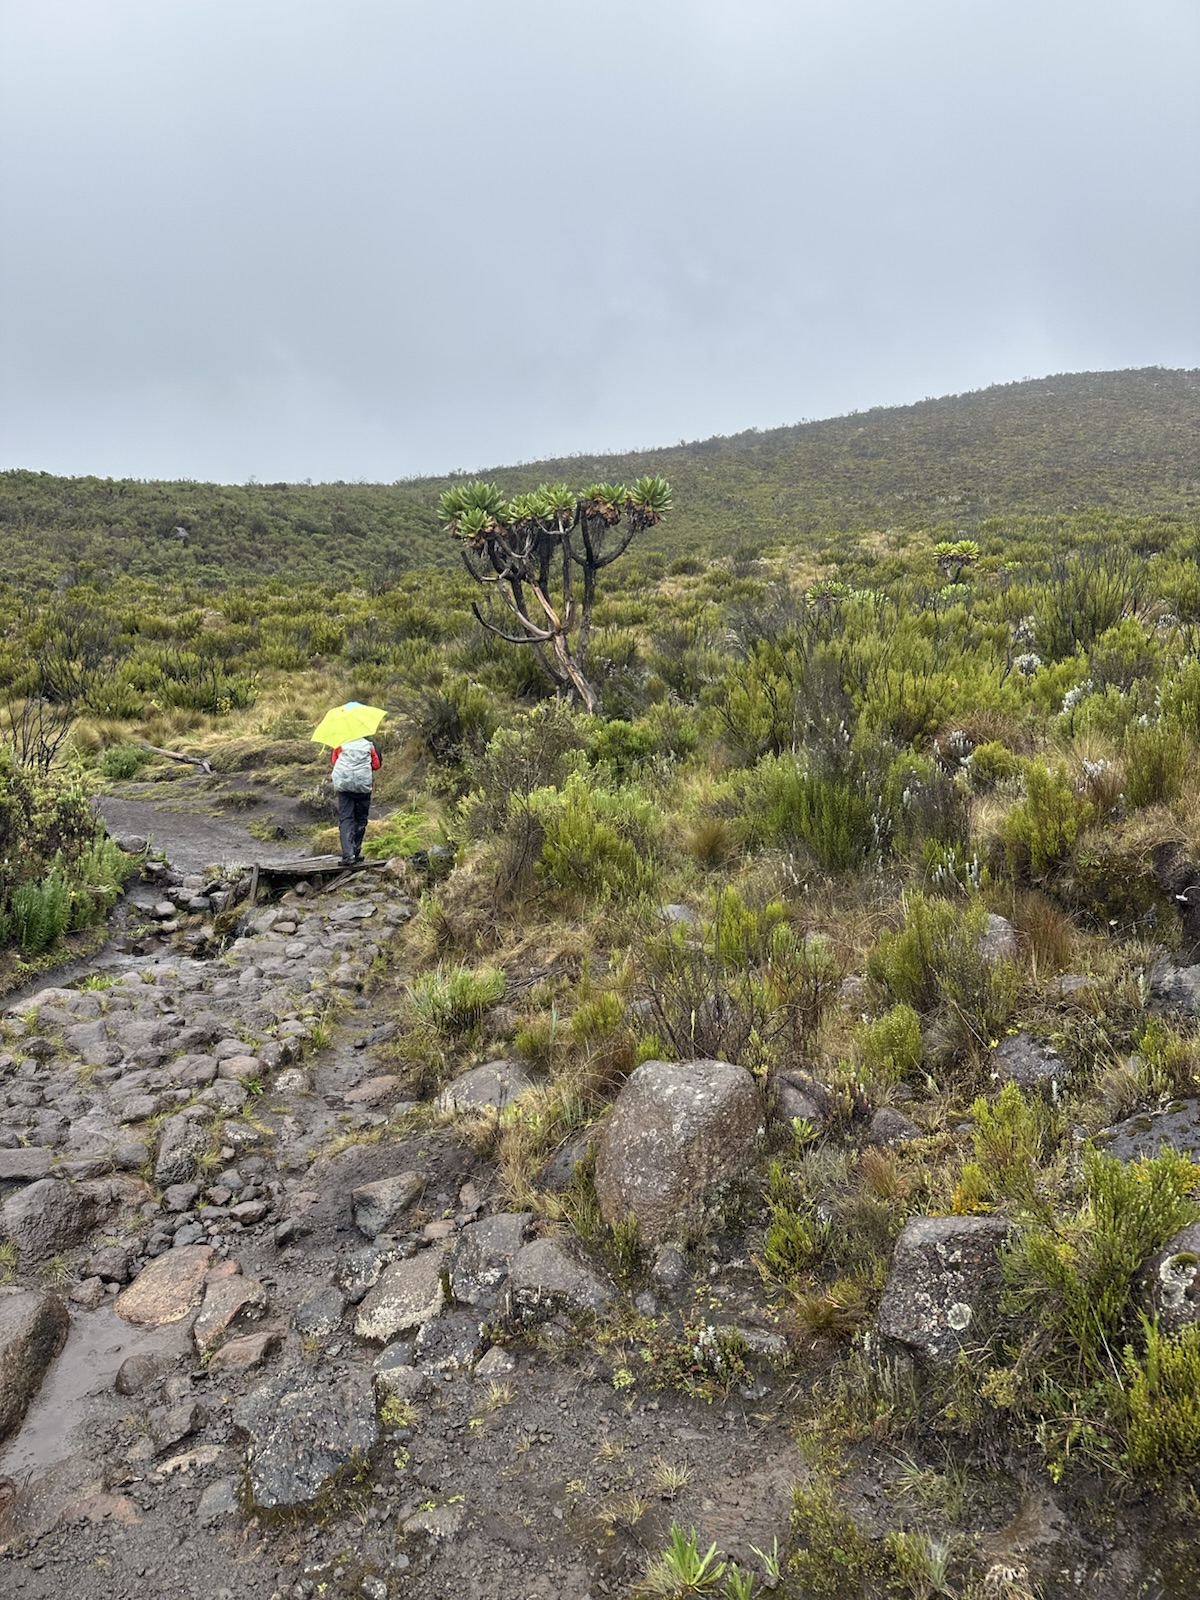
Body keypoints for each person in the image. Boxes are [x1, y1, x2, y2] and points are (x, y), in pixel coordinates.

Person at [330, 736, 381, 865]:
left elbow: (335, 762)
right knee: (361, 819)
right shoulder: (369, 745)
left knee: (346, 819)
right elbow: (376, 765)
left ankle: (348, 855)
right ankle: (356, 851)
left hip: (345, 787)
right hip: (363, 786)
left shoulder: (340, 744)